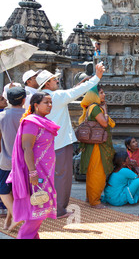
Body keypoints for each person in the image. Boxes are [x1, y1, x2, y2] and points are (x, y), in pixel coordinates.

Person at [39, 62, 105, 218]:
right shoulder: (56, 97)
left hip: (42, 144)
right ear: (47, 83)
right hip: (60, 142)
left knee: (45, 176)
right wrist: (97, 77)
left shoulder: (36, 97)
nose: (57, 81)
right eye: (54, 79)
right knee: (62, 176)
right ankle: (59, 209)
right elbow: (78, 91)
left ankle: (44, 206)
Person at [6, 92, 60, 239]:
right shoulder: (31, 122)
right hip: (36, 172)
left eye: (51, 102)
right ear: (35, 105)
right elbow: (27, 148)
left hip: (46, 171)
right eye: (46, 102)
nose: (50, 105)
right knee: (38, 210)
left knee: (38, 209)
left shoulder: (43, 121)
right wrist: (32, 172)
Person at [78, 85, 116, 208]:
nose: (104, 95)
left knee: (92, 172)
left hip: (93, 145)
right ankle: (95, 201)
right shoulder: (95, 108)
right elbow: (104, 123)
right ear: (94, 95)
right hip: (97, 146)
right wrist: (105, 111)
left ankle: (90, 198)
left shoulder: (91, 107)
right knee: (97, 173)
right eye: (101, 93)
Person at [0, 87, 26, 230]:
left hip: (6, 160)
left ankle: (16, 215)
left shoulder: (2, 116)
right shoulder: (28, 116)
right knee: (16, 192)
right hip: (25, 161)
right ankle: (9, 221)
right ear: (24, 100)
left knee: (3, 191)